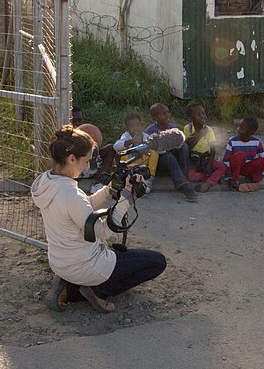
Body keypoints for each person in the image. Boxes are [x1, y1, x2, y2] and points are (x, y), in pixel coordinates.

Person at [32, 125, 166, 313]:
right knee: (157, 262)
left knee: (128, 259)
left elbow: (81, 207)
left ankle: (66, 283)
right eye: (86, 161)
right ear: (71, 159)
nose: (88, 166)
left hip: (59, 260)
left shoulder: (47, 182)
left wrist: (109, 189)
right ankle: (94, 291)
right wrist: (126, 198)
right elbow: (102, 232)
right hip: (86, 264)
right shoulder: (71, 195)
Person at [146, 103, 197, 202]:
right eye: (163, 113)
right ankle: (184, 186)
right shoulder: (150, 131)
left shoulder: (172, 128)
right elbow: (150, 152)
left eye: (168, 112)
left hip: (173, 163)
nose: (167, 115)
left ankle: (185, 179)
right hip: (160, 162)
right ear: (155, 117)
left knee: (184, 146)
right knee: (168, 157)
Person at [184, 103, 227, 193]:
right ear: (191, 118)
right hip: (193, 160)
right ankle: (214, 176)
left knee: (222, 166)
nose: (202, 116)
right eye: (198, 115)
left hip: (206, 158)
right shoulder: (188, 128)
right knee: (190, 176)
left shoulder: (209, 130)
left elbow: (213, 149)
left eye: (203, 113)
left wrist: (209, 165)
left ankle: (209, 183)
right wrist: (200, 134)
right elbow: (189, 146)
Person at [112, 113, 158, 194]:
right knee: (120, 151)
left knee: (154, 151)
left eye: (137, 125)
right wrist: (131, 141)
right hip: (130, 162)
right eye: (132, 127)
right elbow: (115, 146)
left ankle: (148, 179)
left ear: (142, 125)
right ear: (127, 128)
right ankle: (124, 178)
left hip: (143, 162)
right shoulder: (126, 136)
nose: (135, 128)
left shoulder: (146, 136)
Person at [223, 117, 264, 192]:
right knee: (240, 155)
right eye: (239, 126)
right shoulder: (232, 141)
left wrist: (261, 176)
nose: (238, 129)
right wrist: (229, 177)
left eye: (242, 128)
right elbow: (226, 160)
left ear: (251, 132)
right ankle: (235, 180)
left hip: (247, 168)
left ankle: (252, 179)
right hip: (234, 168)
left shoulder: (257, 142)